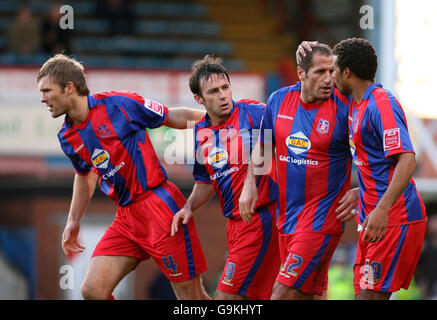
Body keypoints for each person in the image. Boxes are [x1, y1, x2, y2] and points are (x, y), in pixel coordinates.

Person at [36, 54, 209, 300]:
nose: (42, 98)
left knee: (192, 298)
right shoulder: (67, 136)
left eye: (47, 90)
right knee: (93, 290)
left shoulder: (118, 104)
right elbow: (85, 176)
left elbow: (172, 116)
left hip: (160, 207)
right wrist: (73, 220)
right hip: (126, 218)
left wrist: (220, 123)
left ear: (69, 87)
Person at [239, 44, 359, 300]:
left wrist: (361, 190)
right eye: (319, 72)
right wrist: (250, 184)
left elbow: (379, 155)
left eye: (331, 71)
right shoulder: (278, 100)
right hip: (287, 219)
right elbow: (262, 147)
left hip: (321, 220)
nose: (328, 79)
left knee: (281, 294)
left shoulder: (345, 107)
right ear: (301, 74)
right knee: (310, 295)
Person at [171, 55, 280, 300]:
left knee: (226, 299)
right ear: (199, 99)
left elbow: (288, 133)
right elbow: (206, 181)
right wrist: (189, 206)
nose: (222, 95)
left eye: (225, 87)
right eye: (213, 91)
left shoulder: (255, 113)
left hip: (262, 219)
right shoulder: (200, 131)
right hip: (235, 226)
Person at [330, 38, 427, 300]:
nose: (331, 75)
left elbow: (407, 161)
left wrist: (382, 209)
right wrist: (361, 189)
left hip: (394, 218)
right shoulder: (356, 104)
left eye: (334, 69)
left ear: (347, 72)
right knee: (362, 291)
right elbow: (379, 163)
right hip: (371, 217)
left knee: (369, 297)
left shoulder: (381, 103)